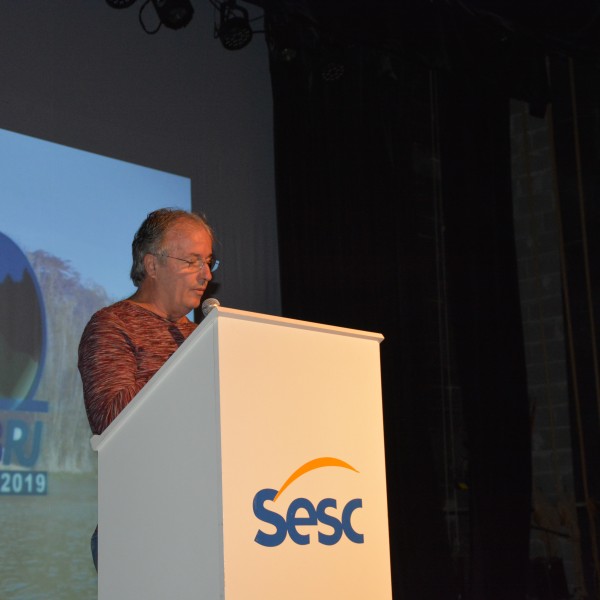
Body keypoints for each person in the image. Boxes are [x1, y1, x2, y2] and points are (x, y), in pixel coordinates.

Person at [78, 207, 217, 570]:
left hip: (211, 518)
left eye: (208, 261)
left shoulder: (204, 337)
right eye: (192, 261)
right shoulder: (112, 325)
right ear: (151, 264)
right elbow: (112, 419)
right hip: (141, 525)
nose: (205, 275)